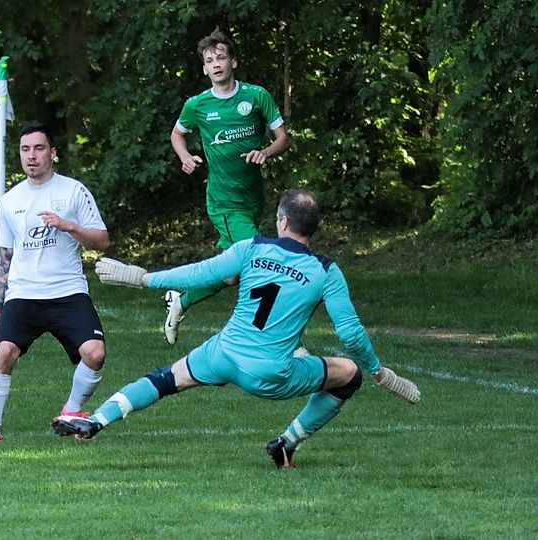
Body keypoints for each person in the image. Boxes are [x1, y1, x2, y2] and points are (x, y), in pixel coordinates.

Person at [52, 189, 420, 468]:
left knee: (164, 379)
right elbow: (351, 334)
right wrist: (378, 371)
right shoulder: (326, 271)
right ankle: (287, 443)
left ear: (282, 221)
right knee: (350, 375)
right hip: (269, 372)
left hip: (223, 352)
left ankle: (97, 421)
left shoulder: (252, 248)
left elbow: (202, 272)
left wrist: (145, 278)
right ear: (313, 227)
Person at [0, 123, 110, 446]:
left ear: (52, 153)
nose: (31, 156)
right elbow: (5, 257)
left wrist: (68, 226)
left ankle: (72, 411)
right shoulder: (9, 201)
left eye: (39, 148)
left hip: (68, 291)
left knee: (95, 353)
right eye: (25, 149)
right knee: (4, 353)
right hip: (24, 294)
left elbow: (102, 240)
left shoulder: (73, 191)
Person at [165, 29, 292, 345]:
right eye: (210, 60)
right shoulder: (197, 105)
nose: (216, 64)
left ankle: (181, 300)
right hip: (224, 201)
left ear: (233, 62)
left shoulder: (257, 96)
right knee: (258, 259)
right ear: (204, 69)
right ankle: (281, 338)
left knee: (230, 274)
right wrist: (185, 157)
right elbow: (177, 134)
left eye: (221, 57)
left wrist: (265, 152)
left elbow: (283, 138)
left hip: (253, 197)